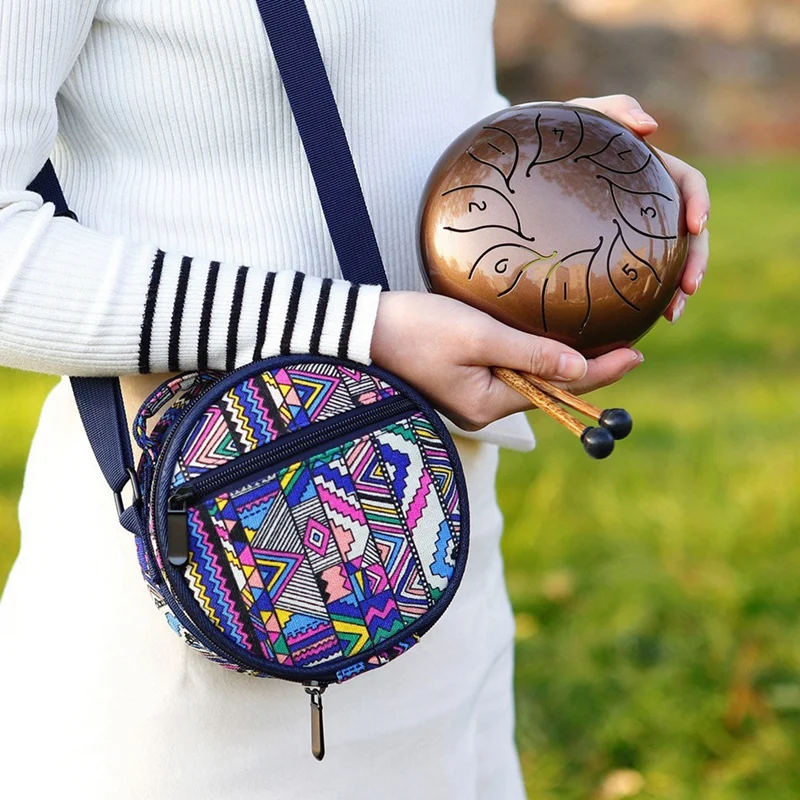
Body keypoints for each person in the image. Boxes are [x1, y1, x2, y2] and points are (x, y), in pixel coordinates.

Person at [0, 1, 710, 797]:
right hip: (211, 590)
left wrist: (558, 168)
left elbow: (385, 108)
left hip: (431, 544)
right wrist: (359, 330)